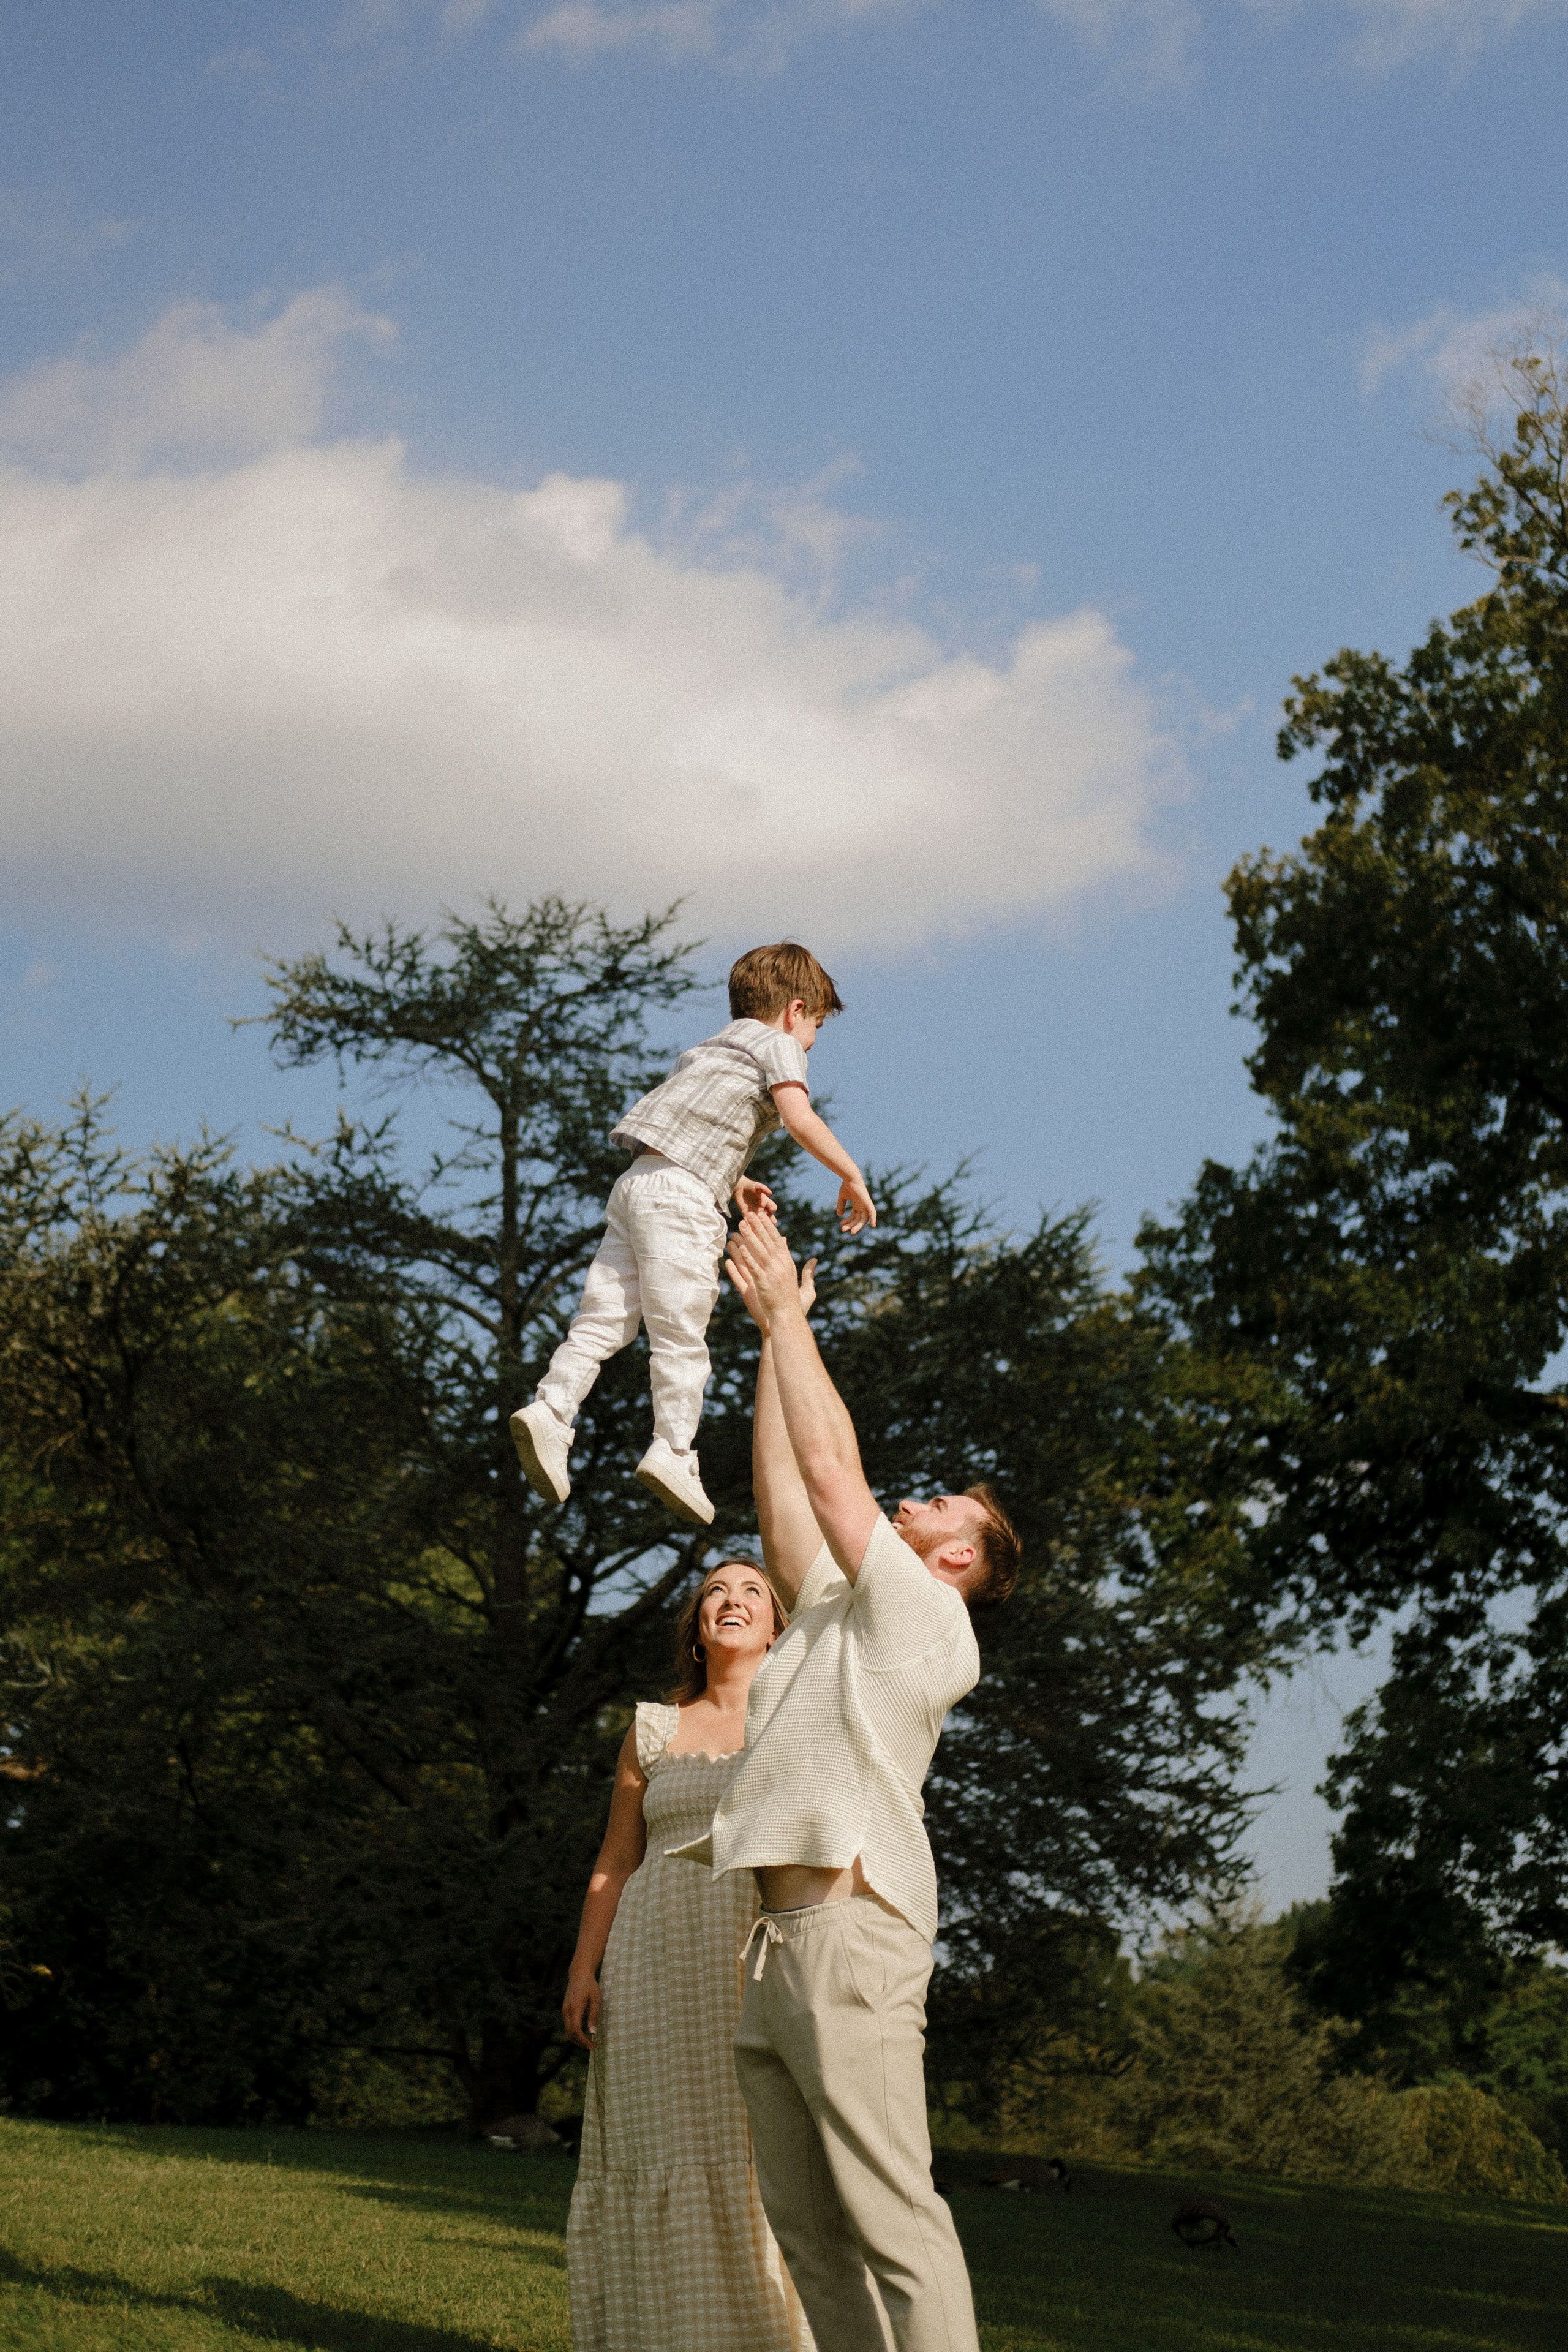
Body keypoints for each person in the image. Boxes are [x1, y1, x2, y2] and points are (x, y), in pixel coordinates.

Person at [689, 1210, 1021, 2352]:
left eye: (940, 1508)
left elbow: (837, 1476)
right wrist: (778, 1339)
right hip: (777, 1947)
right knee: (813, 2235)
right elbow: (786, 1485)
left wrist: (788, 1315)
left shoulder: (929, 1618)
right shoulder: (840, 1603)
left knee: (893, 2221)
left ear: (962, 1557)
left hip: (851, 1935)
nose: (914, 1501)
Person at [510, 941, 874, 1530]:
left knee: (602, 1319)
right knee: (681, 1334)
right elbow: (799, 1118)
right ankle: (674, 1451)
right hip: (681, 1201)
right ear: (795, 1010)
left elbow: (696, 1127)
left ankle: (552, 1408)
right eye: (816, 1028)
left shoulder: (709, 1048)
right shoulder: (781, 1044)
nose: (811, 1043)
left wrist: (737, 1178)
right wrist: (849, 1172)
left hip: (638, 1185)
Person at [562, 1555, 816, 2352]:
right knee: (659, 2140)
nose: (733, 1601)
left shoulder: (803, 1718)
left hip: (750, 1951)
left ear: (778, 1627)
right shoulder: (652, 1728)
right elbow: (615, 1858)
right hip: (648, 1963)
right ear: (697, 1631)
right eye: (716, 1592)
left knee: (750, 2142)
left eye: (752, 1592)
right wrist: (583, 1966)